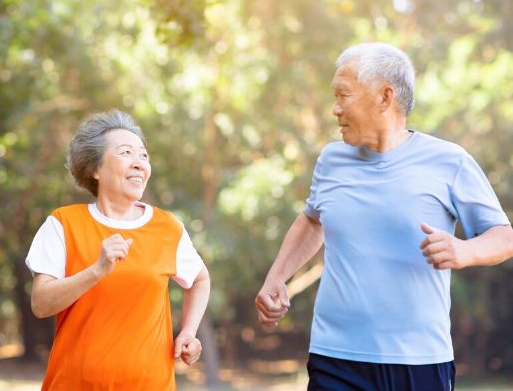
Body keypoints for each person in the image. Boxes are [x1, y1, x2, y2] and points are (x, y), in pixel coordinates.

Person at [255, 42, 513, 390]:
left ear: (384, 97)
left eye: (343, 95)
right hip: (334, 356)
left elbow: (503, 236)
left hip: (417, 360)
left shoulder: (449, 161)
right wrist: (277, 277)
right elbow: (313, 220)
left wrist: (464, 251)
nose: (335, 109)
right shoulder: (332, 160)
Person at [25, 109, 210, 390]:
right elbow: (41, 303)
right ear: (95, 169)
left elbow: (199, 279)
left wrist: (189, 331)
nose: (139, 163)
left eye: (144, 156)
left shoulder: (167, 227)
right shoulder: (63, 223)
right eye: (126, 153)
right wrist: (97, 270)